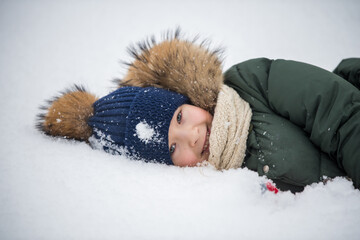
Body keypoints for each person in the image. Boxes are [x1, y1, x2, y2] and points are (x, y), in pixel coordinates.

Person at [37, 31, 360, 193]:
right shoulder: (222, 182)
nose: (190, 136)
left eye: (179, 117)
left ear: (184, 99)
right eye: (172, 147)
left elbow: (343, 117)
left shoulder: (255, 83)